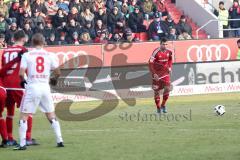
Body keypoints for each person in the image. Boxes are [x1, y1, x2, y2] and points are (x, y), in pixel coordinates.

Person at [14, 33, 64, 150]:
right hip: (45, 87)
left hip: (33, 87)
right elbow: (58, 72)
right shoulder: (50, 55)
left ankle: (22, 144)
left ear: (32, 42)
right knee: (51, 114)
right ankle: (59, 140)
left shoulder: (27, 55)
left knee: (24, 116)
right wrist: (53, 80)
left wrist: (22, 81)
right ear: (43, 42)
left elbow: (21, 73)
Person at [2, 30, 37, 146]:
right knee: (28, 111)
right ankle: (27, 138)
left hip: (5, 86)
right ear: (24, 39)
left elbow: (4, 68)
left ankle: (9, 138)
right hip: (18, 85)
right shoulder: (23, 50)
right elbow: (26, 68)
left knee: (9, 113)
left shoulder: (5, 50)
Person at [148, 38, 173, 113]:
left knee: (167, 89)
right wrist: (154, 73)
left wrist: (169, 68)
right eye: (163, 44)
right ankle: (158, 108)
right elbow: (150, 63)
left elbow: (170, 60)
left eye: (166, 44)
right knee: (157, 91)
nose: (165, 46)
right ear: (160, 44)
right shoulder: (156, 52)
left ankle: (163, 105)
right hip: (157, 74)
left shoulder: (169, 52)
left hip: (165, 73)